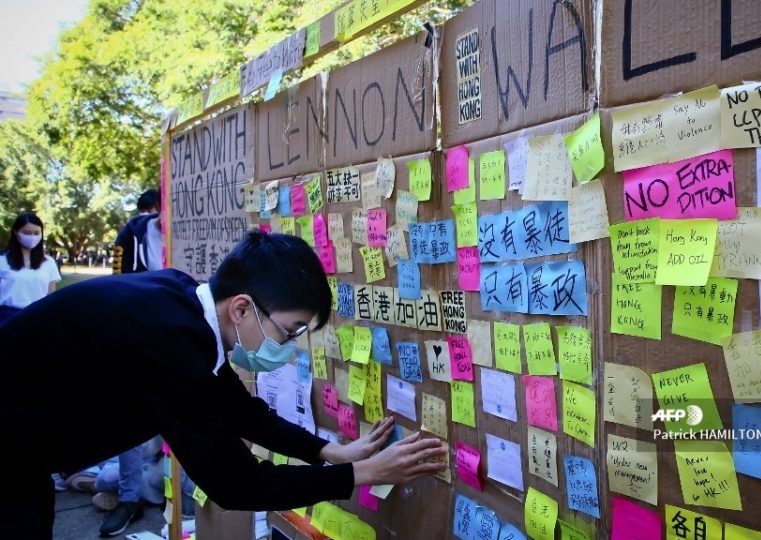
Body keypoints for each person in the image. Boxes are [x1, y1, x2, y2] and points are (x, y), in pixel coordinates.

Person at [0, 230, 445, 539]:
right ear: (242, 308)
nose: (289, 347)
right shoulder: (169, 341)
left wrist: (329, 451)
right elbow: (235, 484)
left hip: (23, 456)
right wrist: (362, 474)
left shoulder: (183, 305)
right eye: (289, 331)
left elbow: (236, 406)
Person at [98, 188, 167, 537]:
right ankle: (127, 498)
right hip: (140, 337)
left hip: (180, 341)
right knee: (128, 420)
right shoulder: (134, 234)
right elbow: (118, 285)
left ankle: (114, 484)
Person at [0, 211, 61, 326]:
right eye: (27, 233)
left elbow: (51, 297)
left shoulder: (48, 263)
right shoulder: (2, 261)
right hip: (6, 318)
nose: (32, 237)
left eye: (36, 233)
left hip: (38, 317)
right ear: (16, 233)